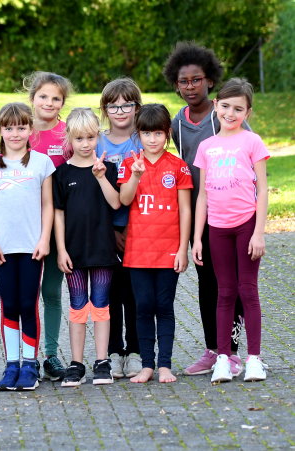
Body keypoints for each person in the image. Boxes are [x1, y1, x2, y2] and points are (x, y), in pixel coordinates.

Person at [162, 41, 249, 377]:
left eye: (196, 80)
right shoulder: (176, 124)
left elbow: (250, 159)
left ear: (210, 80)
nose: (190, 87)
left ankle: (235, 352)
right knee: (207, 283)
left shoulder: (225, 115)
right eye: (183, 81)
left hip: (231, 215)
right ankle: (214, 350)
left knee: (234, 285)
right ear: (176, 84)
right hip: (198, 219)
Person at [192, 78, 270, 383]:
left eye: (238, 108)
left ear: (247, 113)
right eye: (225, 106)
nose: (230, 112)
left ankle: (253, 359)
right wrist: (198, 237)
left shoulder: (252, 142)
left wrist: (259, 232)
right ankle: (222, 359)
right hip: (217, 229)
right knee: (224, 293)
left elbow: (262, 190)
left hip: (246, 225)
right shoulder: (206, 147)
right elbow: (202, 196)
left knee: (247, 291)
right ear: (216, 106)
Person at [0, 102, 55, 391]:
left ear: (30, 129)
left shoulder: (41, 163)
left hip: (32, 246)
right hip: (2, 249)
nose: (15, 133)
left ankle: (29, 364)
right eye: (8, 128)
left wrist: (44, 238)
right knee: (9, 305)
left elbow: (48, 205)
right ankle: (11, 365)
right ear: (0, 130)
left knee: (28, 304)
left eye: (21, 127)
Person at [117, 104, 192, 384]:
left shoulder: (178, 167)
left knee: (164, 306)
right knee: (143, 306)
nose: (152, 139)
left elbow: (185, 210)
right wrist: (135, 175)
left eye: (158, 133)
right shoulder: (130, 164)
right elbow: (124, 200)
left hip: (168, 250)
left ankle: (164, 366)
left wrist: (182, 248)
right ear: (138, 134)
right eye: (146, 133)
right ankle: (146, 364)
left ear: (167, 133)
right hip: (137, 252)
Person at [53, 107, 121, 387]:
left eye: (91, 137)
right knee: (78, 306)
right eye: (79, 138)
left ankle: (102, 361)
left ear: (97, 137)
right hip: (74, 253)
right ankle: (76, 362)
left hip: (103, 251)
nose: (85, 144)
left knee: (102, 306)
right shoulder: (61, 174)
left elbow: (116, 203)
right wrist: (61, 250)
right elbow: (58, 214)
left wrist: (101, 176)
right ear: (69, 138)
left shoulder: (108, 169)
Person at [24, 71, 73, 381]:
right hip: (26, 226)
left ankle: (51, 355)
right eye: (43, 96)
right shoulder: (19, 132)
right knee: (25, 294)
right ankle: (25, 356)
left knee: (52, 291)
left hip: (59, 225)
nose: (49, 102)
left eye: (56, 98)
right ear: (32, 99)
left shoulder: (68, 134)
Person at [96, 78, 143, 379]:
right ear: (105, 109)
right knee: (110, 294)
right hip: (104, 231)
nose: (120, 111)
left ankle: (136, 350)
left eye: (127, 104)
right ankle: (114, 351)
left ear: (137, 108)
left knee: (136, 294)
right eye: (113, 105)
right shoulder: (96, 141)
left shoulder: (144, 139)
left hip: (139, 230)